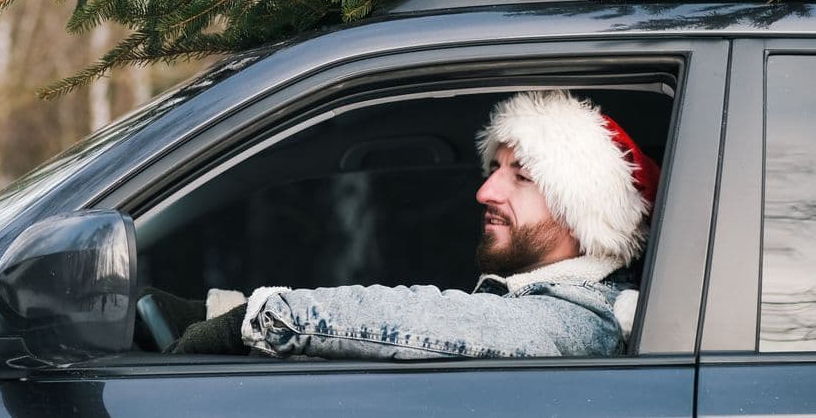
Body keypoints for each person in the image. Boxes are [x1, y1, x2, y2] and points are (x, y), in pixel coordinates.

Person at [165, 89, 662, 360]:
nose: (486, 192)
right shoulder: (534, 301)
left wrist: (260, 318)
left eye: (522, 177)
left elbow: (433, 320)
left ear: (583, 212)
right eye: (494, 170)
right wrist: (212, 311)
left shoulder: (579, 324)